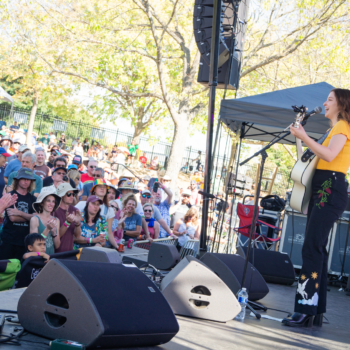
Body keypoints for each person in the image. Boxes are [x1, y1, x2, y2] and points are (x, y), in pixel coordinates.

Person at [282, 88, 350, 328]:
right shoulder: (332, 129)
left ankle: (305, 307)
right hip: (324, 185)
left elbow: (330, 156)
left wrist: (306, 137)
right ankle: (314, 310)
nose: (325, 103)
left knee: (312, 248)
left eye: (330, 99)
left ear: (342, 104)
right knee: (316, 248)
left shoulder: (342, 127)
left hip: (330, 186)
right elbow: (310, 160)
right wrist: (300, 138)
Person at [0, 168, 36, 260]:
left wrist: (19, 213)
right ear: (17, 180)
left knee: (20, 271)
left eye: (29, 179)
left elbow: (36, 218)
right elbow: (13, 218)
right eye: (24, 178)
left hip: (24, 242)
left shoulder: (33, 199)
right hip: (9, 240)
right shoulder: (10, 196)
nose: (26, 181)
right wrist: (30, 217)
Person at [74, 179, 118, 249]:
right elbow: (74, 235)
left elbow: (108, 233)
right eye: (99, 186)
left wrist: (116, 246)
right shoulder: (82, 204)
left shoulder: (109, 210)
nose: (102, 188)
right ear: (94, 189)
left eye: (104, 187)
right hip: (77, 248)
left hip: (95, 249)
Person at [30, 187, 61, 255]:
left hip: (50, 258)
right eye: (48, 201)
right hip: (38, 259)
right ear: (42, 203)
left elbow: (57, 246)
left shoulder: (56, 220)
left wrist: (54, 234)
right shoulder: (35, 219)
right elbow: (34, 244)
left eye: (53, 201)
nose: (51, 204)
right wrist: (47, 229)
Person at [54, 183, 82, 253]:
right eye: (69, 194)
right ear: (62, 195)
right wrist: (67, 223)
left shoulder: (75, 210)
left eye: (73, 194)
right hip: (56, 253)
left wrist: (77, 223)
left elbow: (77, 235)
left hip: (69, 252)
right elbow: (57, 236)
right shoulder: (54, 211)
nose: (72, 196)